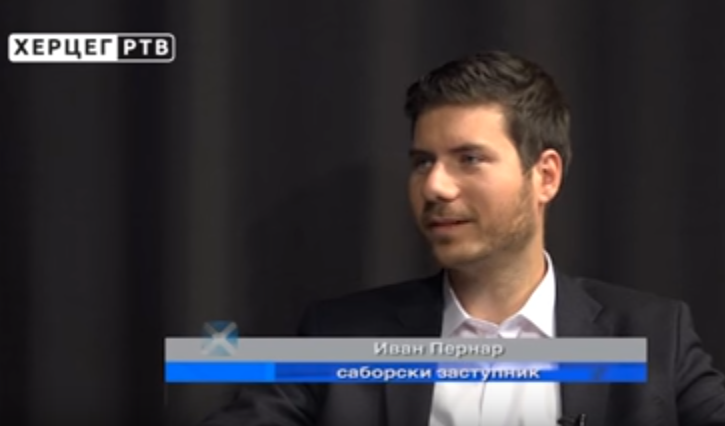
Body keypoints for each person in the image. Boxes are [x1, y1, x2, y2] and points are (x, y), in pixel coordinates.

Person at [200, 50, 725, 426]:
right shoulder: (339, 335)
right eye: (422, 162)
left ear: (545, 176)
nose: (435, 186)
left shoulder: (655, 335)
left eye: (469, 159)